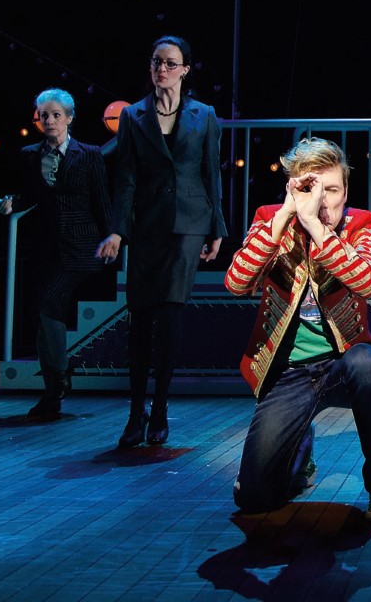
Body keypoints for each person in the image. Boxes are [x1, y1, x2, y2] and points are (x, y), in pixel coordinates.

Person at [224, 138, 371, 523]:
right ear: (293, 188)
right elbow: (236, 282)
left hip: (344, 365)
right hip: (289, 373)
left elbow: (368, 281)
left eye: (331, 190)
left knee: (369, 363)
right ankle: (300, 452)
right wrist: (287, 214)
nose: (322, 201)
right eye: (311, 189)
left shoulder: (361, 223)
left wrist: (318, 231)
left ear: (345, 192)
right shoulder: (270, 217)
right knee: (254, 497)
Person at [96, 35, 227, 448]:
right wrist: (118, 230)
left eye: (171, 63)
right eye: (157, 62)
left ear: (185, 69)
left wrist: (217, 228)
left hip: (189, 223)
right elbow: (126, 179)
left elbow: (211, 173)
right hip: (147, 225)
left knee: (170, 313)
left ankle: (160, 408)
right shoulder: (132, 115)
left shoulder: (204, 114)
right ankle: (136, 411)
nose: (162, 69)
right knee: (140, 318)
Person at [0, 88, 112, 419]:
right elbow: (32, 195)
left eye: (56, 115)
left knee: (48, 303)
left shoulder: (88, 154)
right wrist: (11, 204)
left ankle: (57, 380)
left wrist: (112, 237)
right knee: (48, 309)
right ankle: (53, 391)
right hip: (48, 247)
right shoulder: (30, 154)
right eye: (43, 115)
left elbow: (102, 199)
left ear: (69, 118)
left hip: (82, 248)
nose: (49, 121)